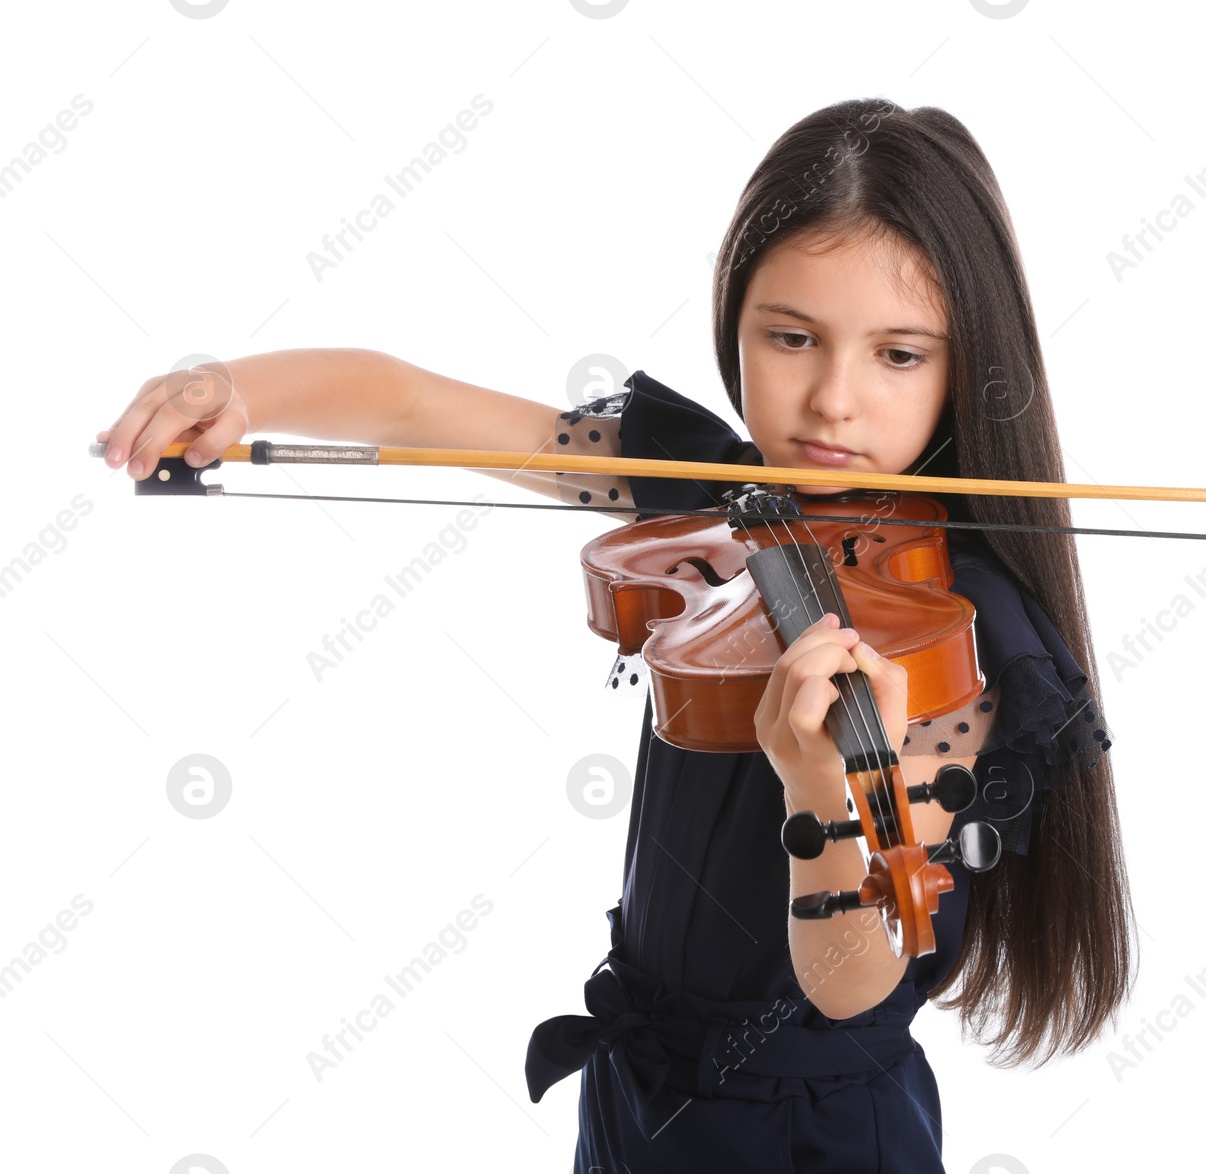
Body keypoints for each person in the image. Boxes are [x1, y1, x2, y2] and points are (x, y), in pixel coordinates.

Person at [98, 97, 1135, 1173]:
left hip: (807, 1136)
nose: (834, 402)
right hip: (635, 1094)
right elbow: (412, 407)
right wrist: (232, 389)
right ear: (733, 317)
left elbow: (851, 980)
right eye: (790, 338)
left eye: (899, 356)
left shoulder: (955, 634)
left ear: (968, 366)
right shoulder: (715, 499)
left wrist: (820, 792)